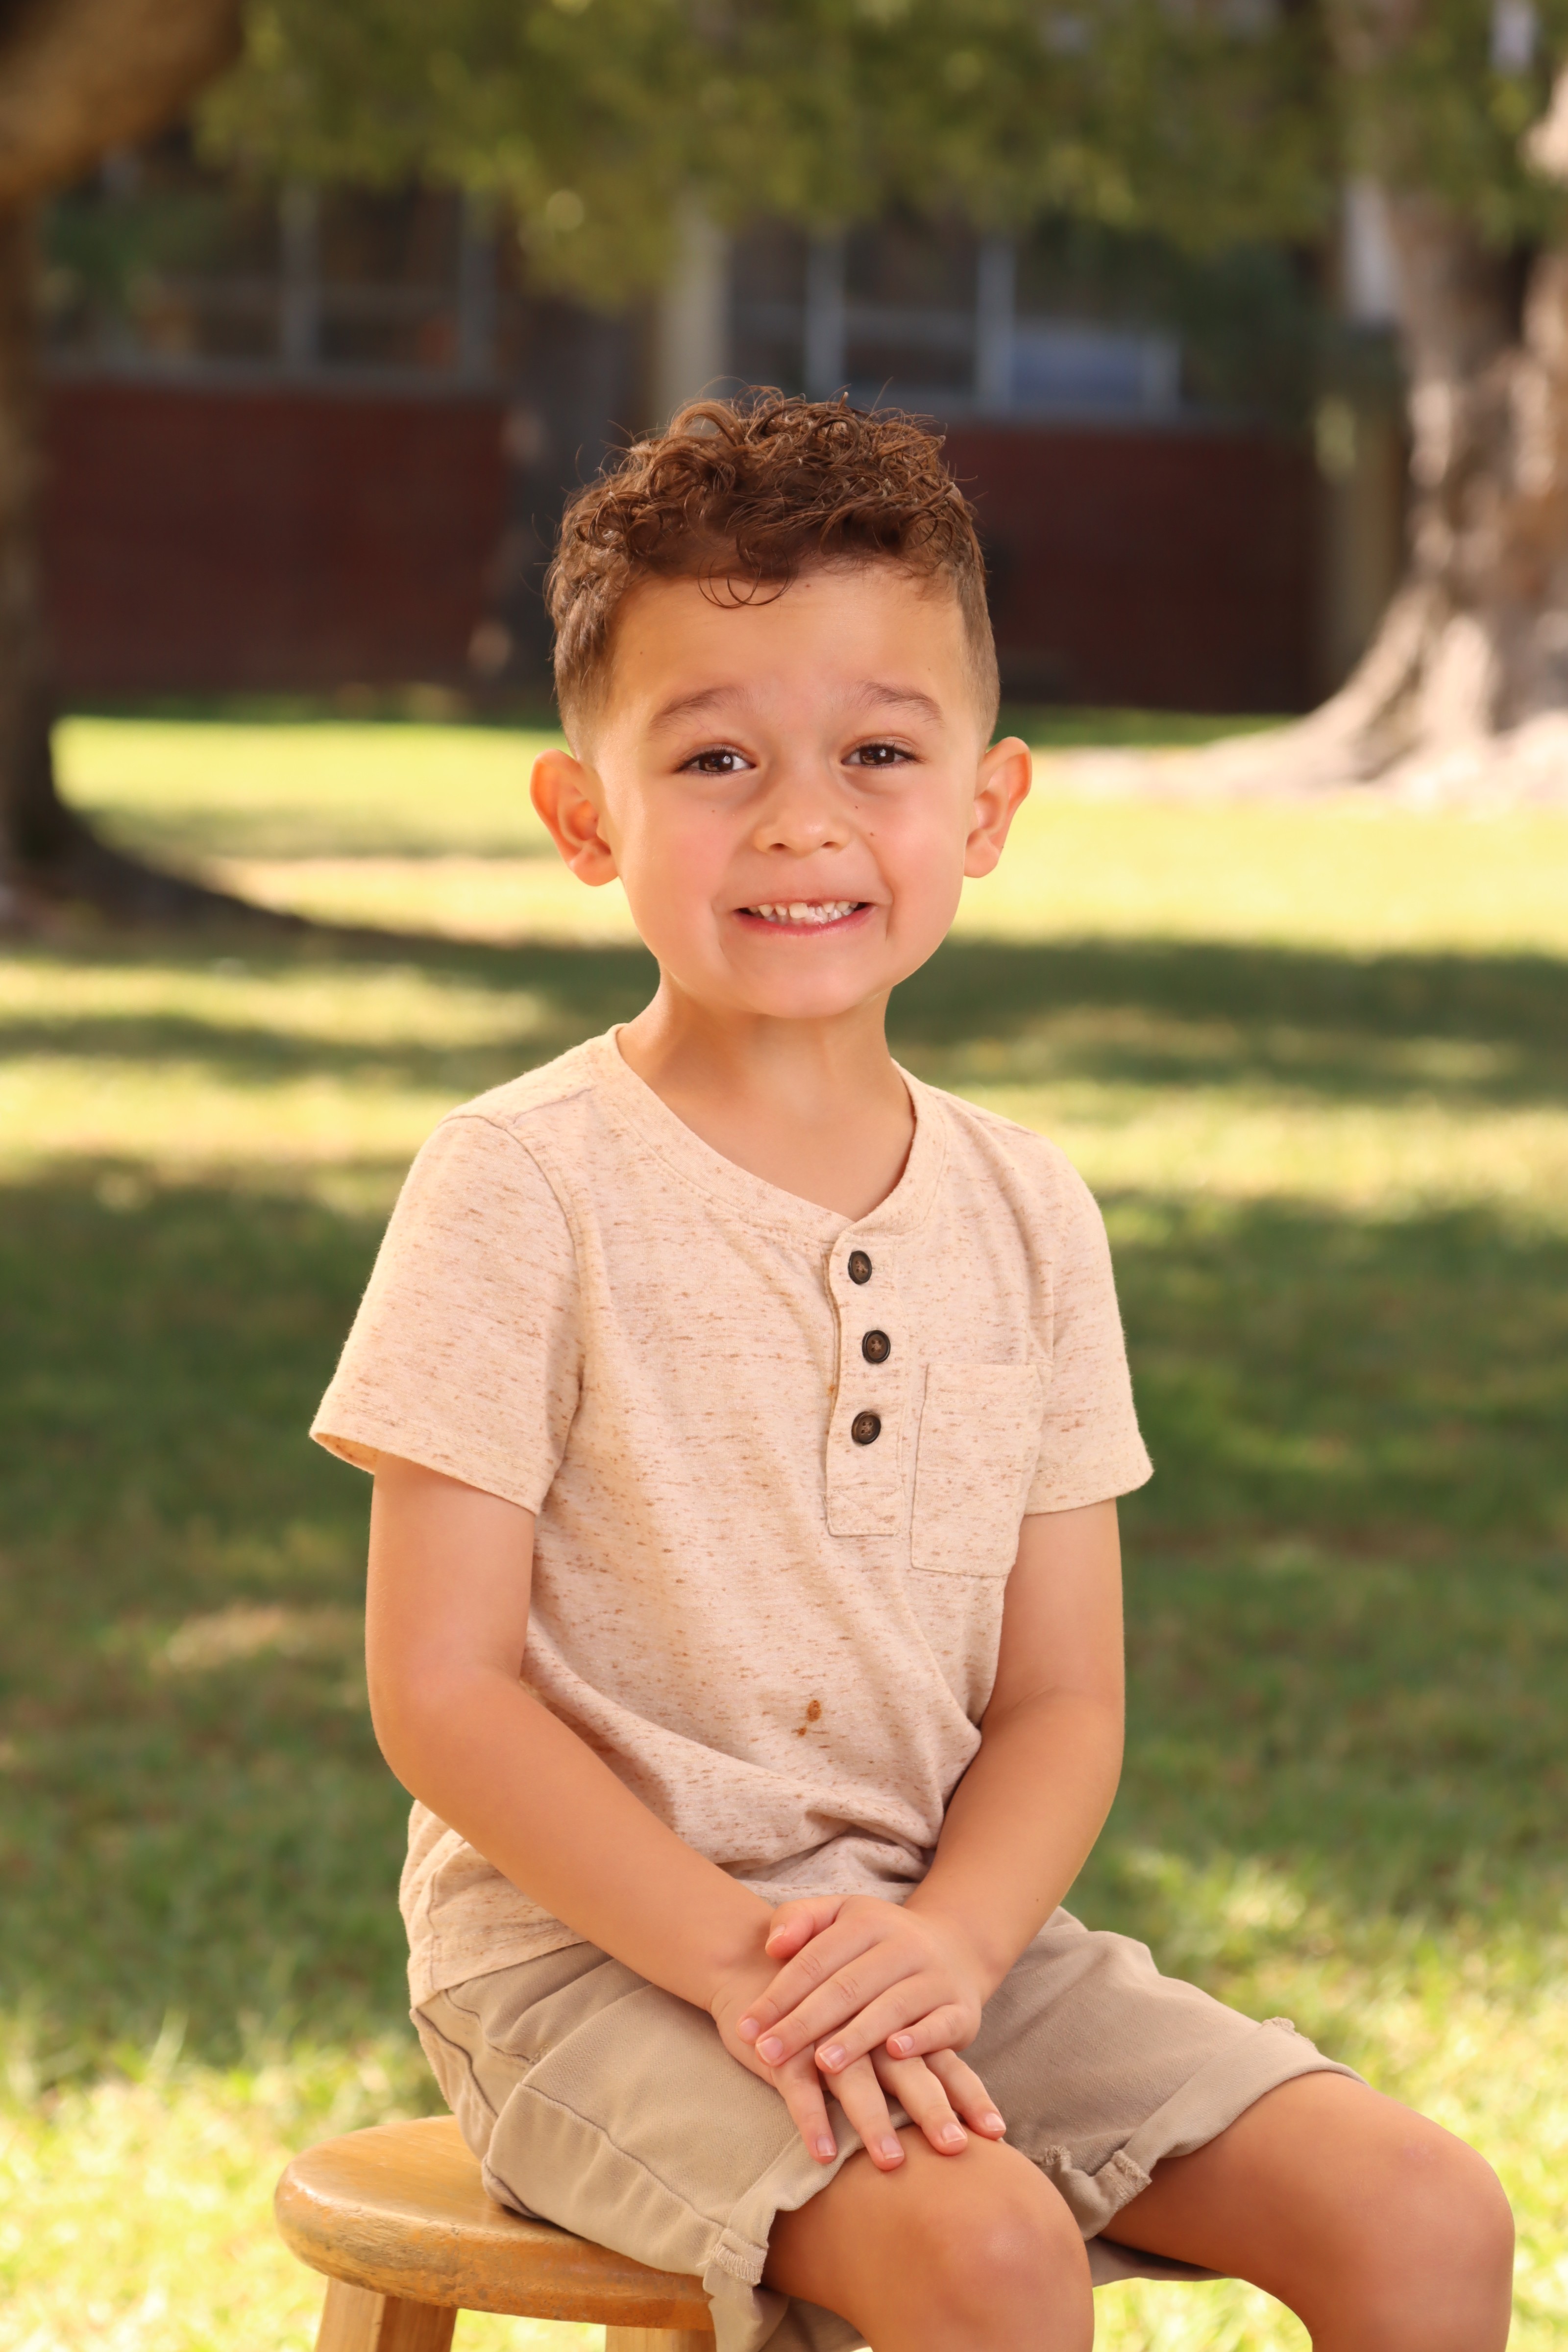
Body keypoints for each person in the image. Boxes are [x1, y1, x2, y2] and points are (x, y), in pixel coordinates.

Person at [312, 394, 1512, 2352]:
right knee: (982, 2252)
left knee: (1420, 2217)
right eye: (715, 756)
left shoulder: (1029, 1212)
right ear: (585, 817)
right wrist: (740, 1962)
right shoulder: (520, 1185)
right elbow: (440, 1694)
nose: (802, 821)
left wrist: (948, 1943)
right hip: (589, 1966)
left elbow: (1061, 1700)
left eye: (877, 753)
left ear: (984, 808)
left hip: (943, 1938)